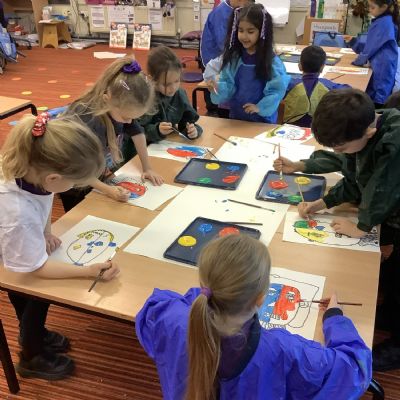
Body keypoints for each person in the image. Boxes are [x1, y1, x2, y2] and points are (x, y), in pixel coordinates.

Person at [135, 234, 372, 399]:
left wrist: (205, 297)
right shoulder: (283, 349)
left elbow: (156, 304)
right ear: (260, 299)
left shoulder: (169, 318)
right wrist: (335, 318)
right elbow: (355, 369)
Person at [273, 89, 400, 370]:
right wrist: (322, 203)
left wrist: (361, 227)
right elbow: (354, 179)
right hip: (391, 210)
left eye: (340, 148)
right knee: (391, 276)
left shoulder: (394, 142)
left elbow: (382, 189)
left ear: (369, 132)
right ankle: (391, 312)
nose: (338, 153)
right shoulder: (362, 133)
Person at [0, 113, 120, 380]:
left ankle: (34, 334)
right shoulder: (17, 211)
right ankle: (31, 356)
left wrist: (45, 232)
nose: (75, 186)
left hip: (13, 234)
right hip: (10, 237)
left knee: (33, 283)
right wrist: (88, 271)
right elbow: (35, 269)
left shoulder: (34, 170)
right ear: (54, 178)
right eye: (75, 182)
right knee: (34, 287)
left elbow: (44, 199)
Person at [60, 56, 163, 212]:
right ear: (107, 99)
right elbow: (76, 168)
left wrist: (147, 168)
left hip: (96, 173)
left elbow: (137, 133)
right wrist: (108, 190)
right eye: (126, 117)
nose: (129, 122)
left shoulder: (119, 107)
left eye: (134, 118)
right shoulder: (89, 120)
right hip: (72, 181)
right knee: (82, 217)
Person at [205, 4, 290, 123]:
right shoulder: (235, 58)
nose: (244, 36)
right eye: (240, 30)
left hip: (262, 120)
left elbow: (277, 90)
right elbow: (228, 83)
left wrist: (260, 107)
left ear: (262, 32)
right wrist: (217, 88)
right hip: (237, 117)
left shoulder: (271, 61)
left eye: (250, 31)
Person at [138, 46, 202, 143]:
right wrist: (157, 130)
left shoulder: (179, 94)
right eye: (166, 84)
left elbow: (187, 123)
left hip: (167, 143)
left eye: (177, 81)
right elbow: (138, 131)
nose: (173, 88)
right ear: (152, 80)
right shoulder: (147, 98)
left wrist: (192, 131)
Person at [200, 0, 253, 116]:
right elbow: (225, 44)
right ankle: (213, 112)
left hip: (224, 60)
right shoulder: (221, 13)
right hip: (216, 58)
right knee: (220, 102)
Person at [348, 0, 399, 107]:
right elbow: (370, 41)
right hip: (383, 63)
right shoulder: (385, 20)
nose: (369, 10)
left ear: (383, 7)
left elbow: (369, 48)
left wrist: (357, 61)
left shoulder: (383, 23)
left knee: (378, 95)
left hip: (382, 64)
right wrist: (353, 41)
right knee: (381, 90)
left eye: (372, 7)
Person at [283, 45, 349, 127]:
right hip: (320, 130)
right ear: (322, 67)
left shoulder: (289, 84)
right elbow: (350, 91)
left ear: (300, 66)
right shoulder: (328, 86)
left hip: (289, 128)